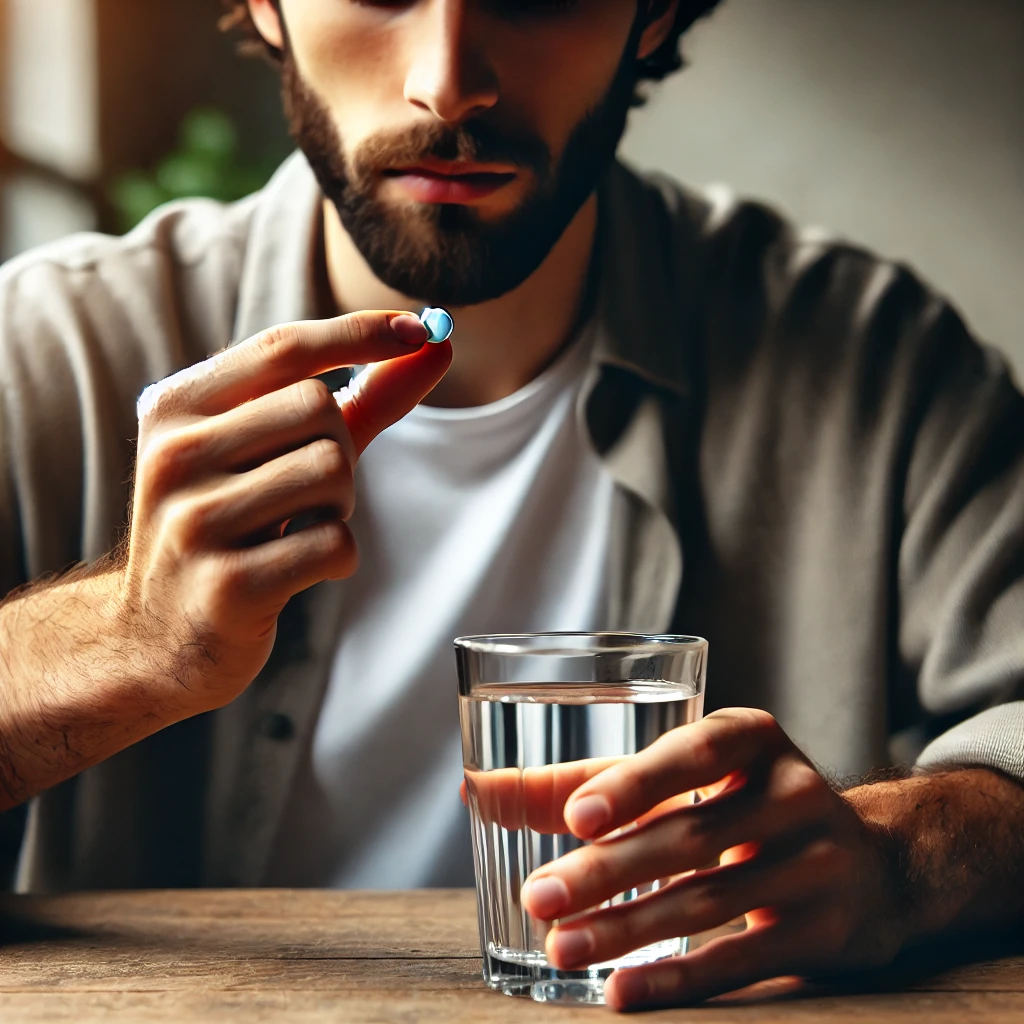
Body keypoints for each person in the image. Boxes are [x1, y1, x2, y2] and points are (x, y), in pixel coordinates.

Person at [0, 0, 1021, 1010]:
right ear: (265, 6)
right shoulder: (46, 352)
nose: (447, 82)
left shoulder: (879, 363)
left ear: (654, 14)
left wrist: (899, 857)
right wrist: (119, 636)